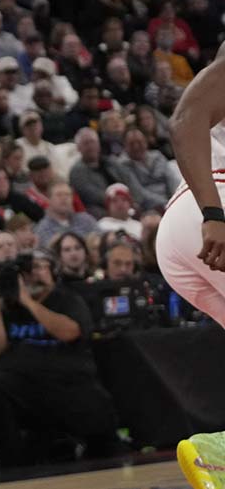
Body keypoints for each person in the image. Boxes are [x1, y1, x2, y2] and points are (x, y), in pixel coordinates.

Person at [154, 50, 225, 488]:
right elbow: (185, 120)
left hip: (187, 226)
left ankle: (217, 455)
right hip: (210, 204)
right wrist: (214, 215)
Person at [0, 252, 124, 467]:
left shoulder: (67, 299)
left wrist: (29, 302)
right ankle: (12, 464)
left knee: (98, 416)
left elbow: (70, 332)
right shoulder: (9, 307)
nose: (35, 275)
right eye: (30, 271)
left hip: (68, 383)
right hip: (25, 386)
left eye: (41, 268)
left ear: (52, 273)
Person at [33, 183, 99, 247]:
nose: (64, 198)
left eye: (67, 195)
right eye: (59, 195)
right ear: (49, 199)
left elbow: (101, 238)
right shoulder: (42, 228)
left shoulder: (86, 219)